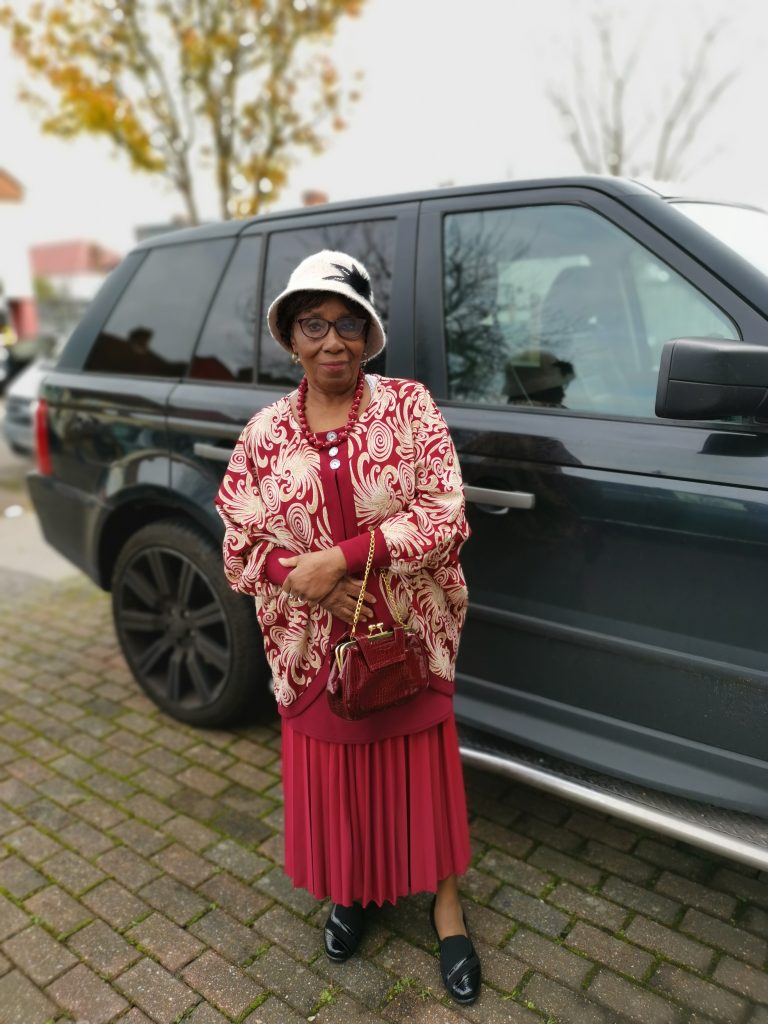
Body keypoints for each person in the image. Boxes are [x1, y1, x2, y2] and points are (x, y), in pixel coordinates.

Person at [214, 250, 481, 1005]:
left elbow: (444, 512)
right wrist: (296, 576)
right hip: (310, 647)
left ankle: (446, 908)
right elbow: (238, 539)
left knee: (420, 772)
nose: (332, 340)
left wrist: (342, 559)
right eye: (314, 324)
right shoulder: (264, 434)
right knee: (340, 778)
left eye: (348, 324)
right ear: (291, 338)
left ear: (367, 335)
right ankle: (353, 891)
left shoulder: (409, 408)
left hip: (407, 633)